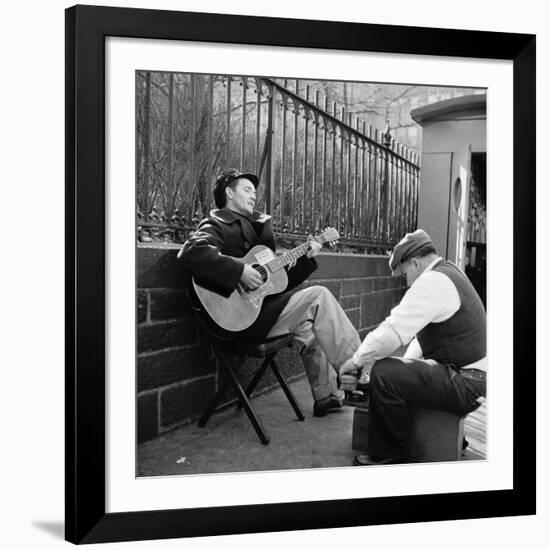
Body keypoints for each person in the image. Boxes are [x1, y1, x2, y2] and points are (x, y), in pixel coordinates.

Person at [178, 168, 361, 417]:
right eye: (247, 189)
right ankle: (361, 374)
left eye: (255, 191)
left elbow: (277, 283)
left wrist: (307, 257)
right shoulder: (216, 223)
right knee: (318, 297)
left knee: (313, 322)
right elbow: (190, 253)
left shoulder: (259, 230)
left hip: (262, 313)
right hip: (238, 321)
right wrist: (239, 271)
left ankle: (326, 395)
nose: (254, 195)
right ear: (229, 193)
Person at [339, 229, 487, 465]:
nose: (405, 280)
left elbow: (392, 331)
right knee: (395, 372)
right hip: (471, 379)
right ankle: (446, 436)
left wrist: (355, 361)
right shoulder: (448, 272)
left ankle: (388, 453)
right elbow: (420, 339)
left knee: (384, 374)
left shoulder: (432, 282)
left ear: (415, 263)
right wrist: (404, 370)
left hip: (465, 384)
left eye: (404, 273)